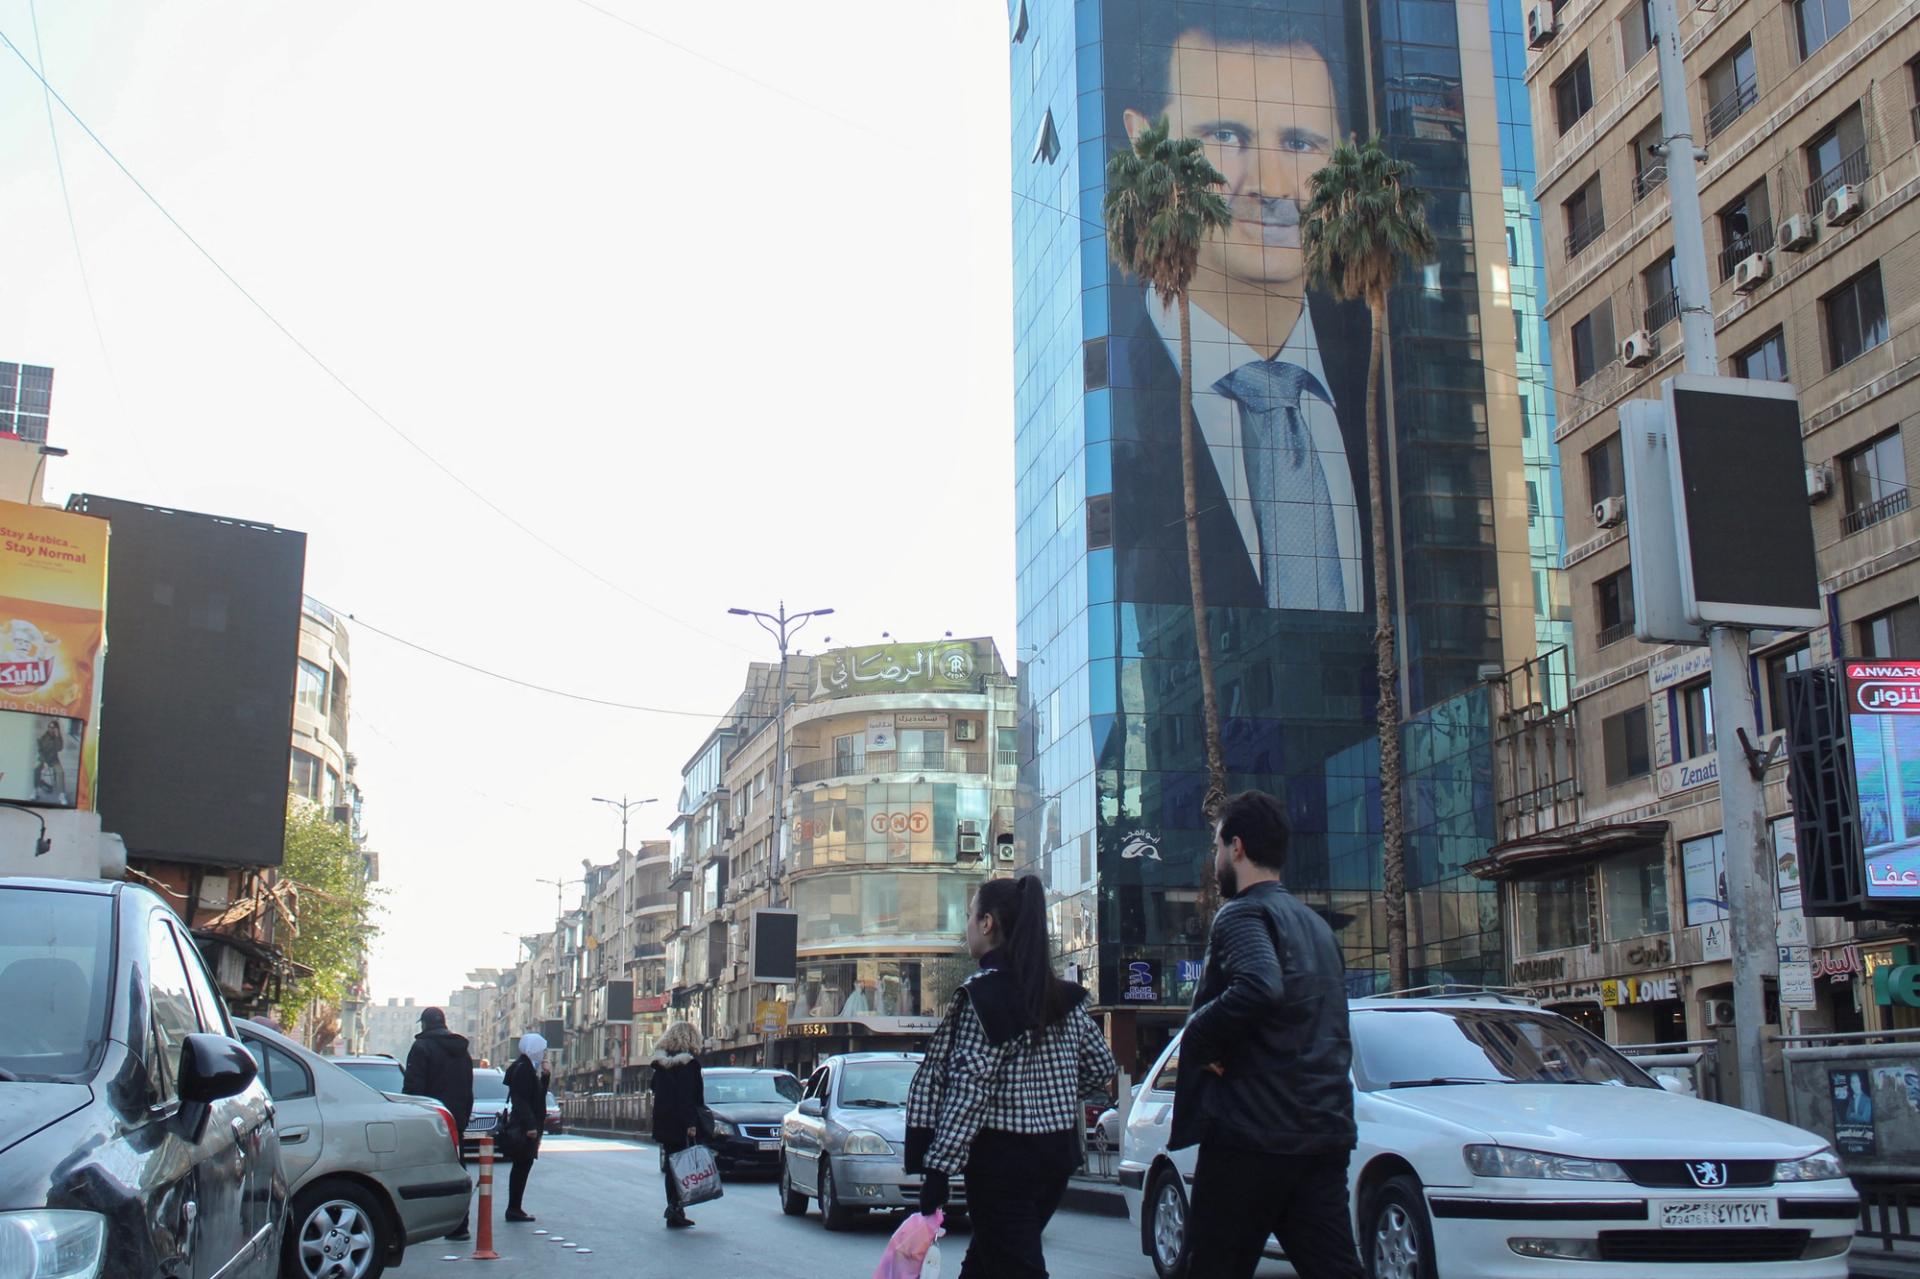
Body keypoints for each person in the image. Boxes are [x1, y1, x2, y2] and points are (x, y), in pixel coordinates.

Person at [1108, 10, 1373, 614]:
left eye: (1301, 143)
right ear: (1146, 141)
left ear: (1345, 159)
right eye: (1225, 136)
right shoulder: (1112, 411)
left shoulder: (1385, 389)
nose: (1271, 184)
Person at [1173, 791, 1362, 1279]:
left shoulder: (1241, 913)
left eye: (1216, 846)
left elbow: (1259, 985)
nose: (1213, 858)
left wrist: (1200, 1034)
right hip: (1322, 1135)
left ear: (1237, 848)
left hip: (1251, 1139)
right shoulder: (1318, 929)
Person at [905, 875, 1117, 1279]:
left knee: (1018, 1268)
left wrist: (937, 1170)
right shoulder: (1061, 996)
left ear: (987, 924)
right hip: (1054, 1160)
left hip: (1000, 1166)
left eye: (970, 916)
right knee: (988, 1263)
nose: (967, 925)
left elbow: (969, 1093)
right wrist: (1049, 1100)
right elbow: (1101, 1068)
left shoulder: (982, 999)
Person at [402, 1006, 475, 1240]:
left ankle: (422, 1224)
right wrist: (461, 1118)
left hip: (429, 1119)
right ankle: (459, 1225)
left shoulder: (421, 1048)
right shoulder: (462, 1051)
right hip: (455, 1119)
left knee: (419, 1173)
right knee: (456, 1170)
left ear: (424, 1024)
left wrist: (410, 1115)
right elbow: (467, 1088)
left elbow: (413, 1087)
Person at [648, 1021, 709, 1229]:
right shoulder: (689, 1064)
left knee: (672, 1166)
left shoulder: (660, 1064)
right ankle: (674, 1209)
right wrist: (691, 1123)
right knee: (681, 1166)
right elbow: (689, 1096)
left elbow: (654, 1088)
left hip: (664, 1121)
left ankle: (675, 1208)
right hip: (681, 1122)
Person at [501, 1033, 550, 1223]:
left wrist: (545, 1077)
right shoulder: (523, 1069)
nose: (543, 1054)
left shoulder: (529, 1068)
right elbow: (520, 1100)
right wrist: (530, 1126)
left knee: (523, 1165)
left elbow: (537, 1097)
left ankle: (515, 1207)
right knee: (521, 1165)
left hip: (528, 1124)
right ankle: (513, 1208)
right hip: (523, 1127)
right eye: (541, 1050)